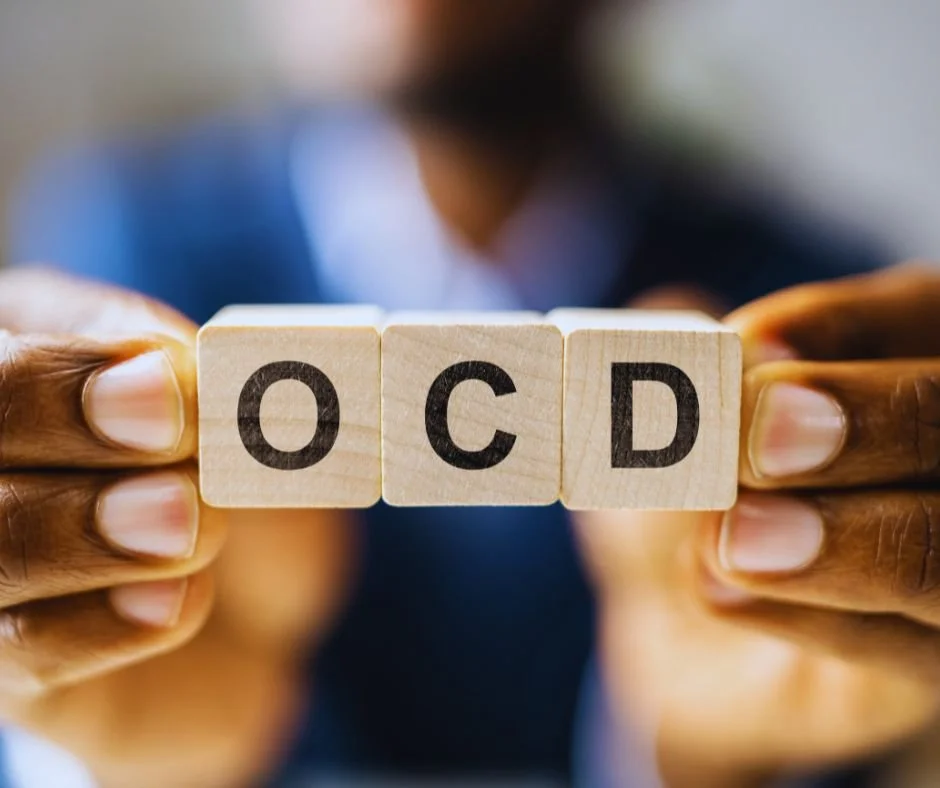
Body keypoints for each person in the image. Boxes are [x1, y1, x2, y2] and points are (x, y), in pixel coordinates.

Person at [3, 0, 940, 785]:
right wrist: (109, 746)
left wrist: (708, 757)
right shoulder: (122, 246)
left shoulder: (807, 314)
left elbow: (829, 714)